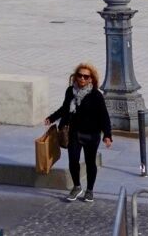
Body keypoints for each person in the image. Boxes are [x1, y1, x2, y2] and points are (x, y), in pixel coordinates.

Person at [45, 63, 114, 202]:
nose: (82, 78)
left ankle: (89, 190)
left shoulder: (96, 95)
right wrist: (52, 118)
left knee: (90, 163)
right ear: (75, 77)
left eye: (86, 76)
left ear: (91, 79)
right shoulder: (70, 91)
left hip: (91, 135)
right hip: (74, 133)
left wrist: (107, 135)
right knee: (73, 161)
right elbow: (65, 108)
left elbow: (104, 116)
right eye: (80, 75)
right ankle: (77, 187)